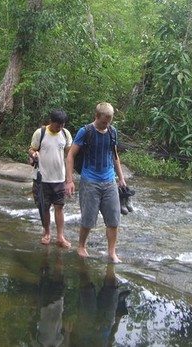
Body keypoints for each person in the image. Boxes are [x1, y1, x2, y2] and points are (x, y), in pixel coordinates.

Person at [65, 102, 126, 263]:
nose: (107, 124)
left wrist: (121, 178)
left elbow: (114, 156)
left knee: (113, 220)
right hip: (90, 181)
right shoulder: (85, 132)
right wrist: (69, 180)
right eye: (104, 121)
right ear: (96, 116)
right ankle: (81, 246)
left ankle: (111, 252)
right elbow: (70, 155)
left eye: (109, 121)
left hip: (109, 181)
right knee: (88, 219)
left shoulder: (112, 132)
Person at [29, 109, 73, 248]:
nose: (59, 127)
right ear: (51, 122)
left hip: (59, 178)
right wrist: (34, 154)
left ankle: (60, 236)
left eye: (62, 125)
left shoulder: (65, 134)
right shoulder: (40, 133)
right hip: (42, 178)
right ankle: (47, 233)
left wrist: (69, 178)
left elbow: (69, 154)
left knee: (59, 207)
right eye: (57, 125)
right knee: (44, 207)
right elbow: (31, 149)